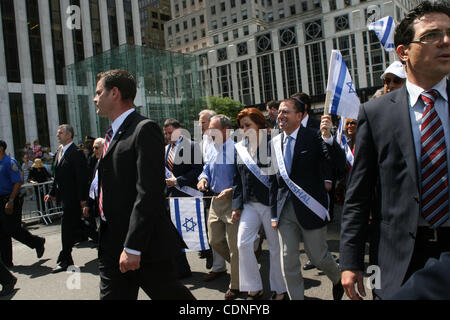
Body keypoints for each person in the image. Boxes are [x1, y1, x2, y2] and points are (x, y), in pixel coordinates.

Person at [340, 1, 450, 300]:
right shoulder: (375, 114)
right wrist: (350, 262)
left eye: (449, 32)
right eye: (431, 35)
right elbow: (358, 195)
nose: (445, 41)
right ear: (404, 52)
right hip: (398, 258)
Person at [93, 69, 195, 300]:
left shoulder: (143, 129)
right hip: (111, 242)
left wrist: (133, 247)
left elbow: (148, 192)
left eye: (99, 92)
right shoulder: (112, 134)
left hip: (143, 245)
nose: (95, 98)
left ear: (115, 93)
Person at [269, 98, 346, 300]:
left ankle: (337, 277)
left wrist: (329, 138)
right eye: (279, 112)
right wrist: (273, 214)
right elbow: (273, 181)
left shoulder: (314, 137)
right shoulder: (275, 142)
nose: (280, 116)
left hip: (310, 208)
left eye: (286, 112)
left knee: (318, 257)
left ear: (300, 115)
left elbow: (338, 163)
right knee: (288, 260)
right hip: (285, 210)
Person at [232, 108, 287, 300]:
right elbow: (237, 180)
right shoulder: (239, 148)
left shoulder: (273, 145)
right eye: (241, 127)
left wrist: (277, 208)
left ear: (259, 124)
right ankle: (254, 286)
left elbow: (278, 179)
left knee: (275, 247)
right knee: (243, 243)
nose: (244, 129)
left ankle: (280, 289)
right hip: (249, 204)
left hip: (270, 204)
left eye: (248, 125)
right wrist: (236, 206)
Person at [197, 114, 240, 300]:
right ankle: (245, 267)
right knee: (214, 240)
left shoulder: (238, 149)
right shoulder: (211, 147)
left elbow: (243, 178)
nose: (208, 132)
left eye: (212, 128)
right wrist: (203, 178)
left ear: (226, 130)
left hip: (232, 201)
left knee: (234, 246)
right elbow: (206, 168)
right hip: (215, 200)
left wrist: (231, 190)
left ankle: (236, 285)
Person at [44, 125, 89, 273]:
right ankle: (100, 242)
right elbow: (56, 175)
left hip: (73, 199)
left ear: (69, 135)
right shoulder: (59, 151)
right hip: (64, 198)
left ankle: (65, 259)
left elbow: (81, 178)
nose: (57, 135)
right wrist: (51, 193)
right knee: (77, 227)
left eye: (60, 132)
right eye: (58, 132)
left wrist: (83, 199)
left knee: (67, 228)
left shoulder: (76, 153)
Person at [163, 118, 203, 279]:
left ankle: (212, 259)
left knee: (195, 232)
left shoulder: (192, 146)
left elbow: (198, 170)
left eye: (170, 132)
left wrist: (179, 181)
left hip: (188, 195)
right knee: (173, 235)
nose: (167, 135)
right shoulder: (165, 149)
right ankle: (181, 269)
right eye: (165, 133)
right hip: (170, 197)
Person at [0, 140, 45, 268]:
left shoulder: (10, 162)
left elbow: (17, 182)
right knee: (2, 232)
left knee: (12, 229)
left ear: (1, 148)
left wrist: (11, 201)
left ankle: (37, 242)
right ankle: (6, 262)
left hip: (10, 199)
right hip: (0, 200)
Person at [82, 138, 105, 243]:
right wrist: (88, 204)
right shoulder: (96, 163)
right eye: (93, 148)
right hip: (99, 203)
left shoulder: (109, 163)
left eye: (96, 148)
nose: (94, 150)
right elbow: (93, 185)